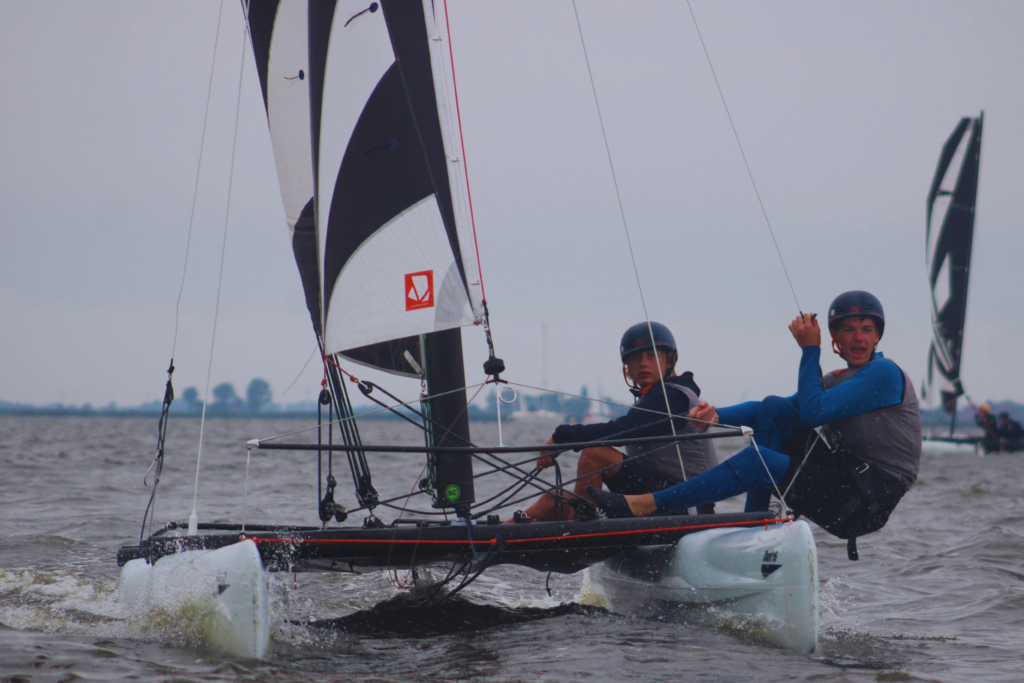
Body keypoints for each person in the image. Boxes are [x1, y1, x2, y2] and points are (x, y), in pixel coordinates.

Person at [588, 291, 922, 560]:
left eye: (866, 329)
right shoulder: (842, 379)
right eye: (848, 329)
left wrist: (810, 350)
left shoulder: (884, 373)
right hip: (847, 483)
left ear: (878, 335)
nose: (858, 337)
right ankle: (755, 529)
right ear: (836, 336)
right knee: (774, 409)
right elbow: (776, 410)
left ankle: (646, 503)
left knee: (757, 460)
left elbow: (812, 413)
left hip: (867, 500)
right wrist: (717, 414)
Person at [518, 322, 719, 521]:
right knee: (551, 501)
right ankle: (491, 543)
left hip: (685, 505)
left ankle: (580, 537)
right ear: (627, 367)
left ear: (668, 362)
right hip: (653, 497)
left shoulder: (672, 396)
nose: (643, 363)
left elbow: (625, 430)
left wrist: (563, 437)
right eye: (635, 358)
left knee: (594, 454)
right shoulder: (651, 398)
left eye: (651, 355)